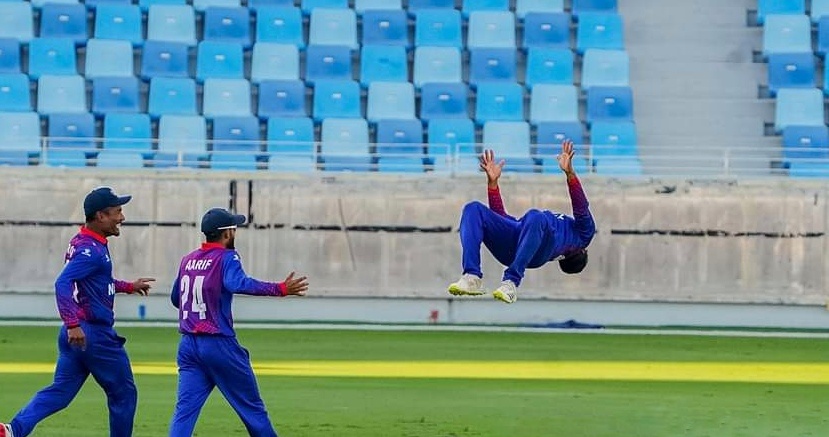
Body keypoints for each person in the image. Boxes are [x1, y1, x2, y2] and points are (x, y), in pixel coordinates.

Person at [1, 187, 155, 437]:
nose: (122, 217)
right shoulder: (91, 251)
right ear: (100, 216)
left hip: (75, 334)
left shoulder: (84, 242)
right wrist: (72, 323)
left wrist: (128, 286)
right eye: (117, 212)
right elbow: (62, 283)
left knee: (60, 392)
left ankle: (12, 430)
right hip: (93, 334)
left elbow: (95, 283)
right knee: (124, 394)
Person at [168, 208, 309, 437]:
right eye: (234, 229)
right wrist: (280, 289)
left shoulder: (188, 260)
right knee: (253, 410)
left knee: (184, 413)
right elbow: (238, 283)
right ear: (227, 233)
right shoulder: (227, 257)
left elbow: (177, 299)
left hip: (188, 346)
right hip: (219, 345)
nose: (235, 232)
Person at [447, 139, 596, 304]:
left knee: (536, 216)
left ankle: (511, 282)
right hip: (515, 244)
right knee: (473, 209)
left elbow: (581, 207)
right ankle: (472, 276)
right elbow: (501, 219)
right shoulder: (531, 228)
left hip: (536, 253)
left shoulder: (582, 238)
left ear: (582, 251)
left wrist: (570, 174)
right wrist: (493, 185)